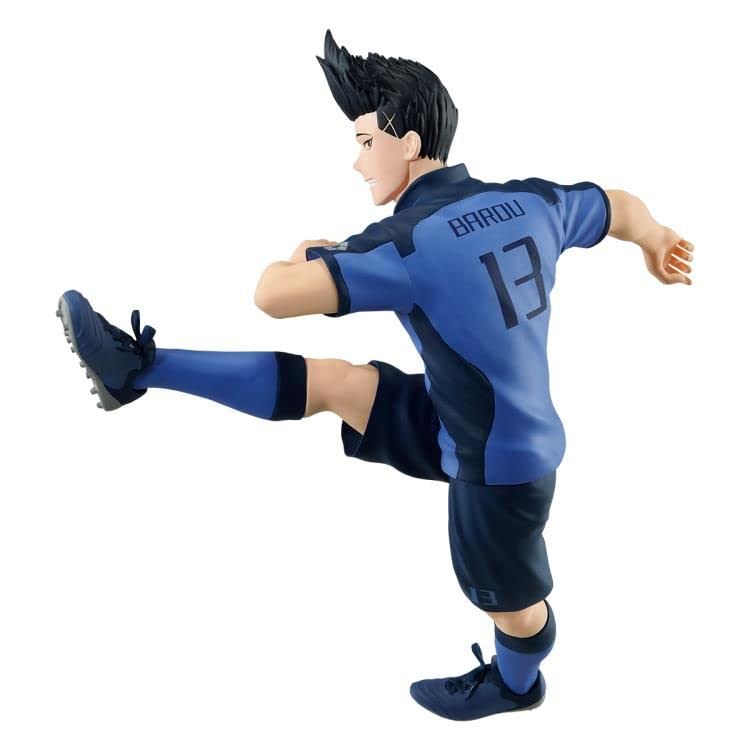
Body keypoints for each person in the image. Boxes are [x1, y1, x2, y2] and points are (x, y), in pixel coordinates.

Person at [56, 29, 694, 721]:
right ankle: (137, 369)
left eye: (365, 141)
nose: (357, 161)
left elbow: (271, 296)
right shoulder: (533, 202)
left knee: (514, 606)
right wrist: (656, 240)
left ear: (410, 143)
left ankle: (516, 686)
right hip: (465, 413)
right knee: (338, 383)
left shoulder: (405, 245)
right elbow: (617, 203)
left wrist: (300, 256)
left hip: (494, 461)